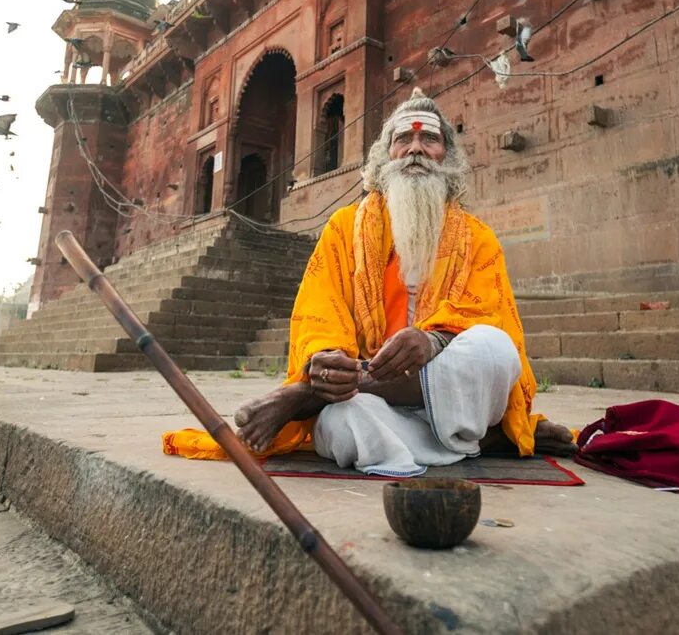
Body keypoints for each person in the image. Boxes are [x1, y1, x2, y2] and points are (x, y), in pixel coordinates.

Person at [163, 89, 576, 475]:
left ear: (446, 156)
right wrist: (325, 360)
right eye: (403, 141)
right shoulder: (344, 229)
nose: (415, 149)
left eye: (429, 140)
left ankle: (307, 399)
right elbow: (319, 310)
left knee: (493, 349)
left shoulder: (477, 236)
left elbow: (491, 315)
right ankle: (483, 442)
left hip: (455, 396)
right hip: (371, 402)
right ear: (385, 155)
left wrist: (435, 341)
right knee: (341, 423)